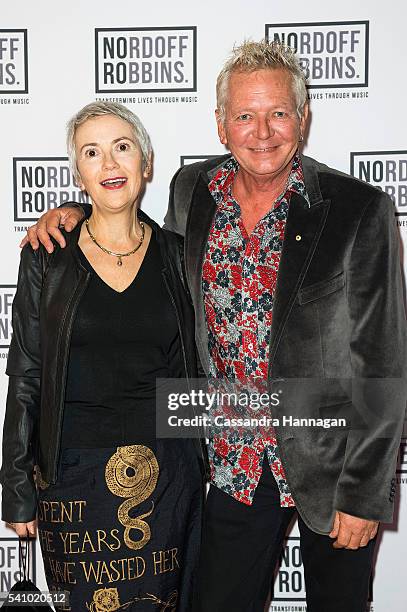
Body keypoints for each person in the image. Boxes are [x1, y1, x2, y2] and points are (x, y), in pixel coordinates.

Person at [21, 41, 406, 612]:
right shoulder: (192, 191)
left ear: (302, 119)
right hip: (230, 466)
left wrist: (365, 493)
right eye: (245, 115)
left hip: (332, 466)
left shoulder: (358, 209)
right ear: (222, 126)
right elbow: (139, 245)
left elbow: (382, 360)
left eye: (278, 113)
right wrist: (78, 214)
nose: (263, 131)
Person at [1, 101, 206, 611]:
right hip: (73, 478)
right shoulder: (47, 254)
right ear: (79, 174)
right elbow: (26, 374)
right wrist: (16, 483)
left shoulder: (180, 256)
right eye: (92, 152)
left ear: (147, 163)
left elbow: (194, 369)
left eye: (122, 147)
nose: (109, 164)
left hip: (168, 477)